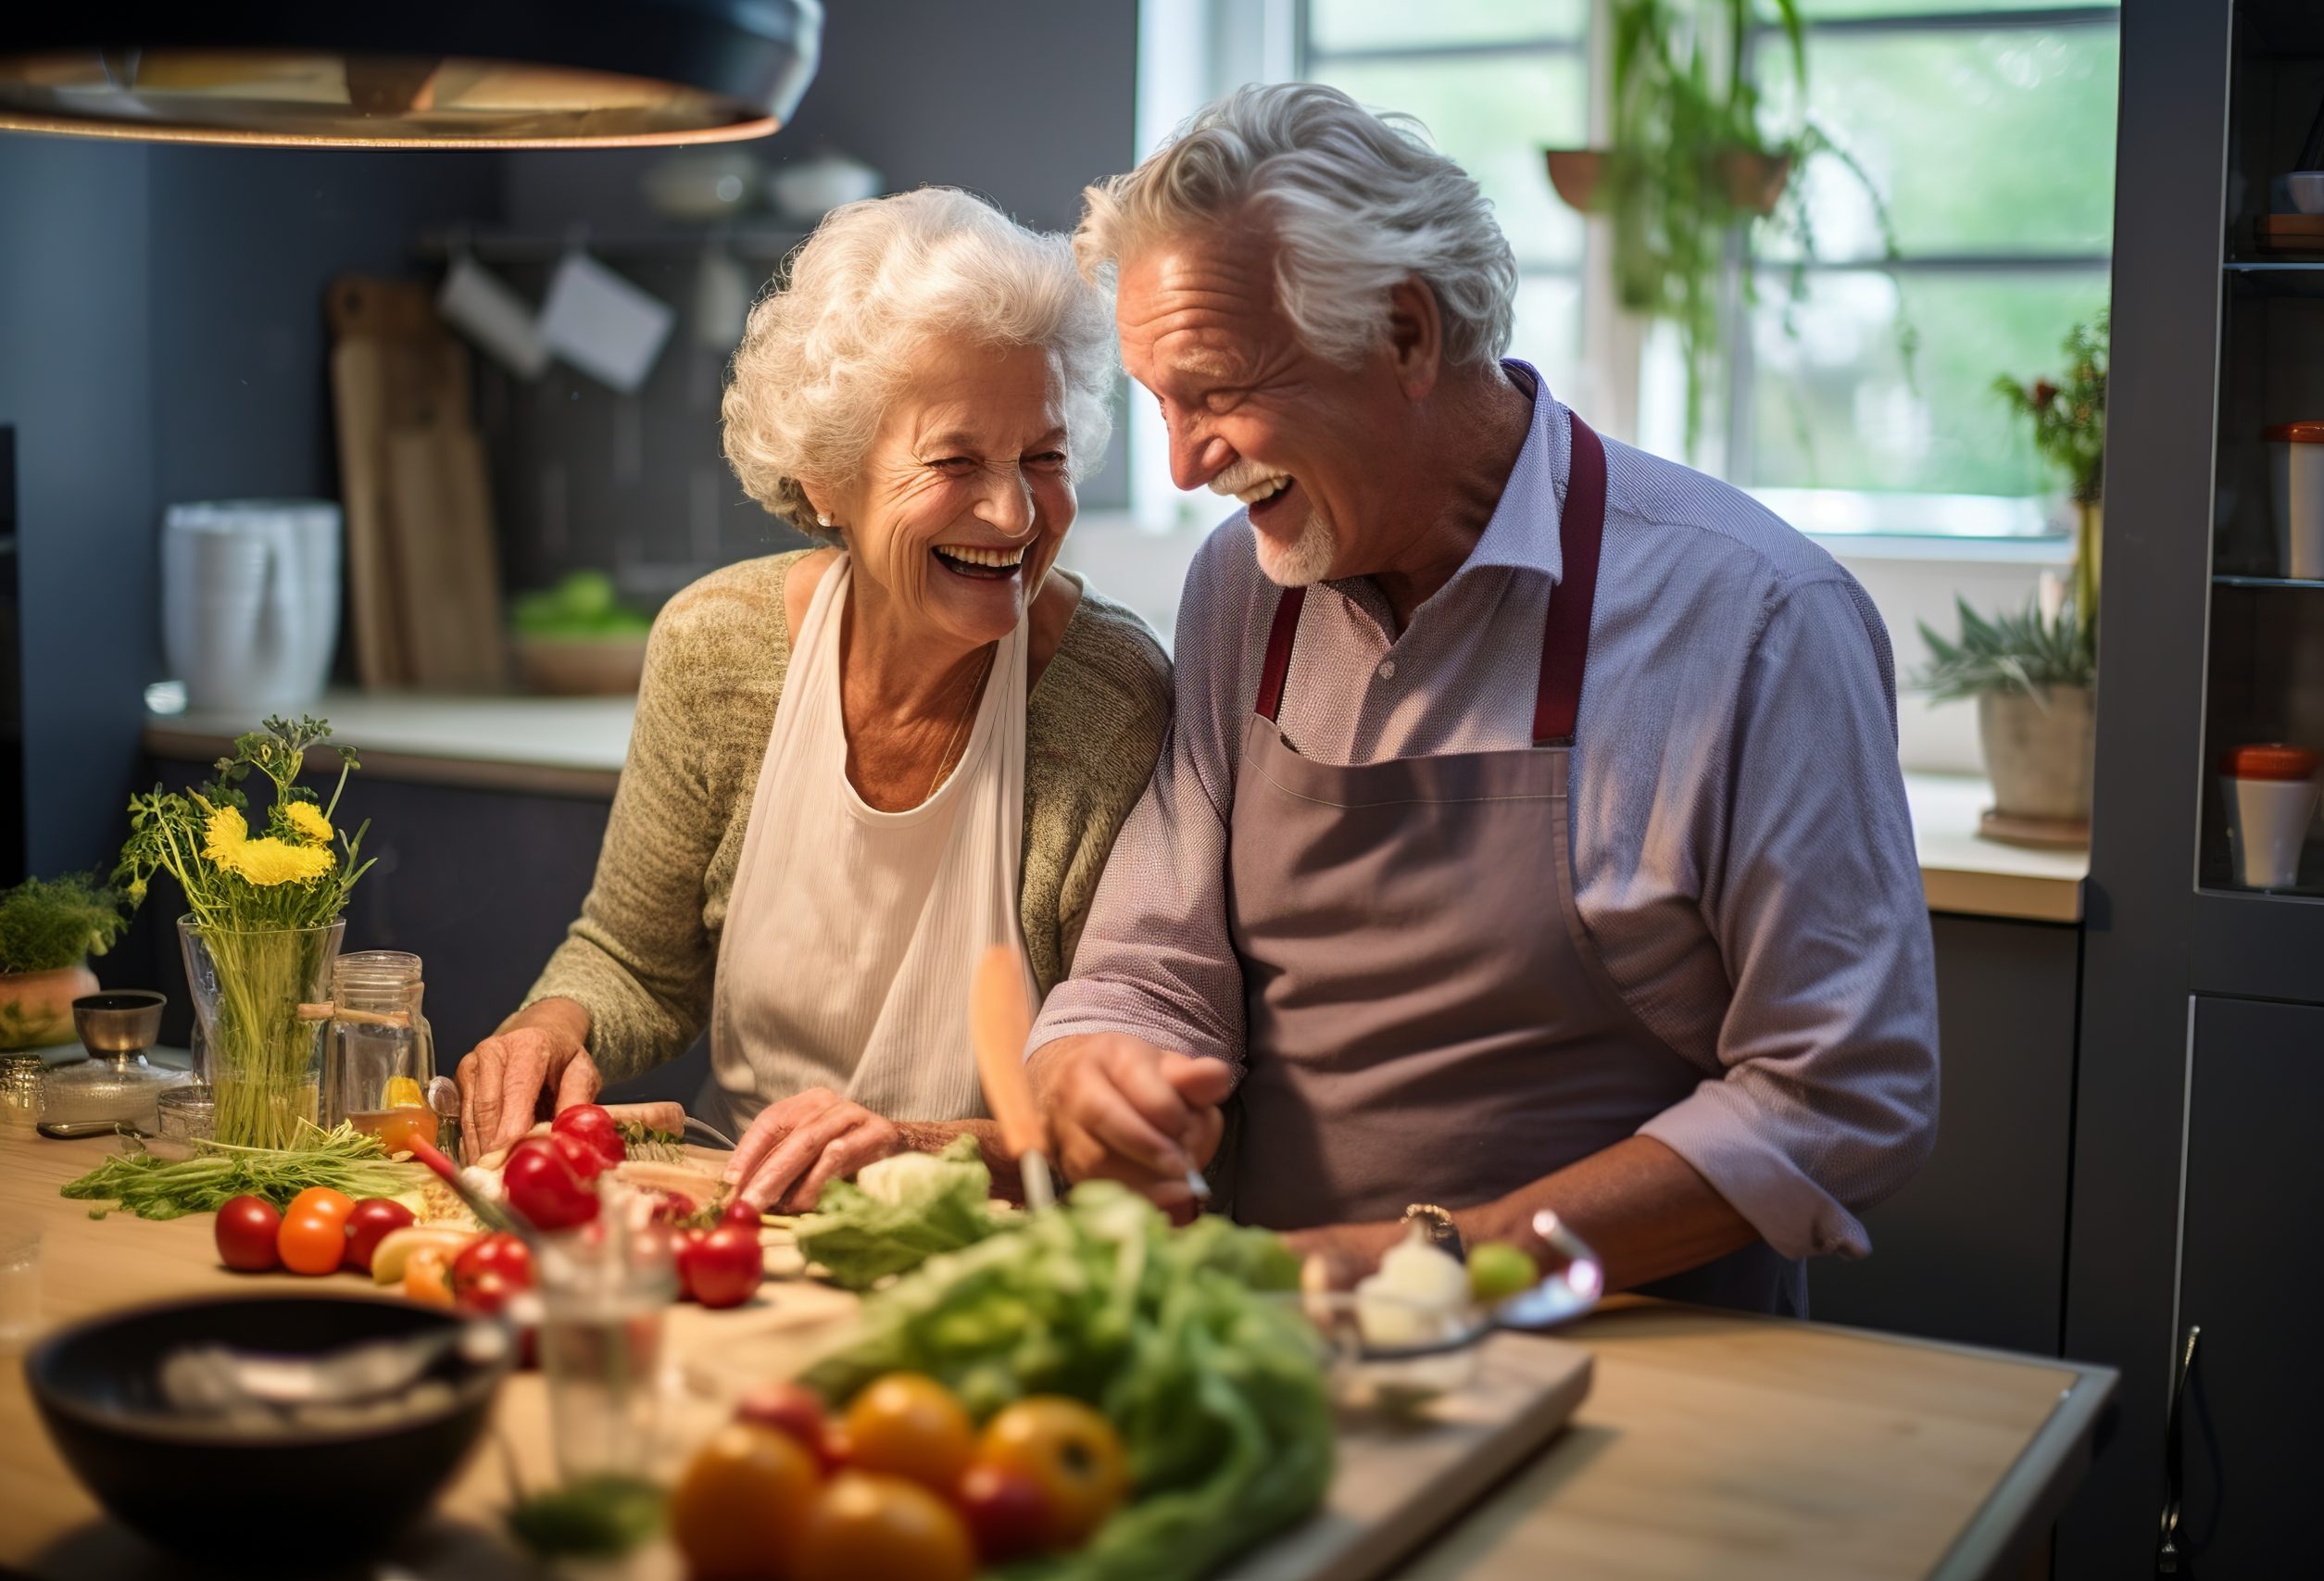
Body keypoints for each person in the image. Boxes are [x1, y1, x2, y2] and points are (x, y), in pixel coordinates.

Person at [1026, 84, 1939, 1314]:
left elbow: (1844, 1092)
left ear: (1405, 334)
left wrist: (1444, 1257)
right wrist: (1101, 1064)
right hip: (1287, 1331)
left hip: (1639, 1343)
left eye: (1216, 388)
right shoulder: (1246, 584)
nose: (1185, 463)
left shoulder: (1759, 618)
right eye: (1159, 403)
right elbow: (1154, 963)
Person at [457, 188, 1171, 1211]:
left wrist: (913, 1151)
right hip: (735, 1223)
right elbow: (635, 960)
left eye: (1044, 457)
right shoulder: (717, 650)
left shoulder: (1107, 701)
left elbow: (1117, 1123)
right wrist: (551, 1026)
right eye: (955, 460)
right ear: (827, 476)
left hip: (984, 1253)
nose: (1013, 513)